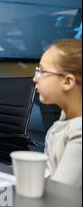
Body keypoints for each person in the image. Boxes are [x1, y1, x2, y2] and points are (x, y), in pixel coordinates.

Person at [33, 39, 82, 187]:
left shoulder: (79, 132)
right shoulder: (66, 116)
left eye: (42, 71)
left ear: (67, 82)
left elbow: (59, 195)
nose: (35, 78)